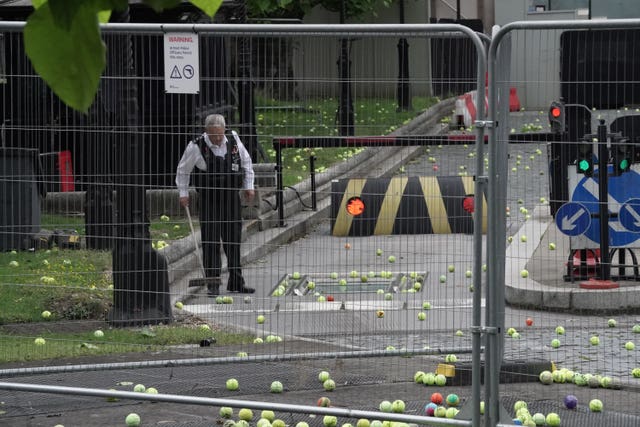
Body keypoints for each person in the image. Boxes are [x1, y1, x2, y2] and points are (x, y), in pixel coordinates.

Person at [176, 114, 255, 294]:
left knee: (233, 241)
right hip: (209, 200)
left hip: (231, 199)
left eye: (220, 135)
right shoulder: (196, 146)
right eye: (213, 136)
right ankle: (213, 284)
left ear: (224, 130)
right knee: (211, 242)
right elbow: (183, 171)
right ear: (206, 132)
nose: (218, 139)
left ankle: (236, 282)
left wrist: (249, 186)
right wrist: (183, 193)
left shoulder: (234, 140)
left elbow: (247, 163)